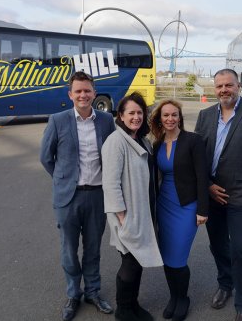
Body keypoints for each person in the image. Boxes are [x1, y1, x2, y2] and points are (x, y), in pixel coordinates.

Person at [194, 69, 242, 321]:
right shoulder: (205, 116)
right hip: (213, 194)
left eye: (228, 85)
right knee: (217, 245)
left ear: (238, 86)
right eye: (219, 86)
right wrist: (206, 184)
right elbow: (196, 159)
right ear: (214, 89)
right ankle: (226, 284)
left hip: (241, 195)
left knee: (240, 248)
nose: (223, 90)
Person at [40, 71, 116, 321]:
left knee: (93, 248)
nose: (83, 95)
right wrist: (64, 180)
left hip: (97, 195)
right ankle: (74, 293)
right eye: (78, 91)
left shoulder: (106, 120)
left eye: (87, 90)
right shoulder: (58, 120)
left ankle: (93, 292)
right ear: (70, 94)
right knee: (69, 250)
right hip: (68, 198)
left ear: (94, 93)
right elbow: (46, 158)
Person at [101, 92, 163, 321]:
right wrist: (122, 216)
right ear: (121, 116)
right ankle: (123, 310)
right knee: (130, 261)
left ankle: (132, 303)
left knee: (137, 262)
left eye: (140, 112)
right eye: (131, 113)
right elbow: (110, 182)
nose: (136, 117)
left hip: (143, 211)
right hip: (127, 215)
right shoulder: (115, 142)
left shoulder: (142, 140)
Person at [149, 99, 209, 321]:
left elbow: (203, 177)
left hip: (186, 206)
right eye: (166, 115)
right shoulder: (157, 144)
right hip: (164, 205)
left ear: (180, 117)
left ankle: (183, 298)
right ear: (160, 119)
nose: (170, 119)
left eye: (174, 115)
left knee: (178, 257)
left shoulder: (193, 141)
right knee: (167, 256)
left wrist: (203, 209)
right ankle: (173, 297)